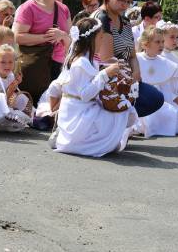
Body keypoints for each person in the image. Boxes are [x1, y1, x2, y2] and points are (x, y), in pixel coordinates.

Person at [54, 18, 135, 157]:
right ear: (91, 39)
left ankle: (106, 140)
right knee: (119, 114)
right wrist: (105, 74)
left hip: (81, 108)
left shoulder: (88, 59)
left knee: (124, 110)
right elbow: (85, 95)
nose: (102, 39)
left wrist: (107, 68)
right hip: (79, 112)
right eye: (100, 36)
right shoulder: (81, 63)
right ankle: (102, 142)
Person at [92, 0, 164, 118]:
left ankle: (119, 121)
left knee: (156, 98)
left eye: (128, 1)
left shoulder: (124, 21)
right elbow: (107, 60)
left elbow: (132, 55)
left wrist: (136, 73)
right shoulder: (101, 19)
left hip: (124, 76)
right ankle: (112, 121)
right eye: (120, 0)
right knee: (151, 99)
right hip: (105, 79)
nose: (125, 5)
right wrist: (129, 79)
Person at [13, 0, 71, 104]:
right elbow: (17, 37)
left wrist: (62, 36)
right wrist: (46, 37)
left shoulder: (64, 9)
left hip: (58, 66)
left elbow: (71, 39)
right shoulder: (28, 8)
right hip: (35, 68)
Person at [133, 27, 178, 138]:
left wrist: (172, 100)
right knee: (145, 118)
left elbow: (166, 89)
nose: (161, 45)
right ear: (145, 44)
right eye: (157, 42)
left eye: (162, 42)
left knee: (170, 113)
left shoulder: (166, 64)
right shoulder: (136, 59)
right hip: (140, 99)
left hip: (158, 101)